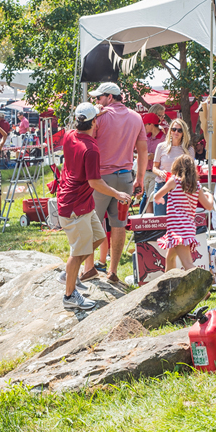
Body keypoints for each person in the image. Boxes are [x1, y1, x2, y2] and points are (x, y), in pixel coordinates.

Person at [56, 102, 131, 310]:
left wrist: (97, 111)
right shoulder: (91, 150)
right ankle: (70, 296)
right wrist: (117, 194)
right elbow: (95, 183)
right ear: (95, 123)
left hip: (81, 203)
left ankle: (68, 274)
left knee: (98, 238)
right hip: (75, 206)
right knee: (77, 251)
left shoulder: (69, 135)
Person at [90, 82, 148, 283]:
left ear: (110, 97)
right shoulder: (136, 117)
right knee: (119, 225)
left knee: (92, 222)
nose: (96, 101)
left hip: (101, 179)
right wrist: (139, 178)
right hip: (125, 177)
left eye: (98, 98)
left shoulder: (101, 117)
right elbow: (142, 151)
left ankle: (89, 268)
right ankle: (112, 270)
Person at [154, 154, 214, 271]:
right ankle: (169, 286)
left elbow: (157, 195)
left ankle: (203, 289)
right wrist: (210, 196)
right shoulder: (196, 186)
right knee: (170, 258)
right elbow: (209, 206)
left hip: (177, 229)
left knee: (188, 265)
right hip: (187, 228)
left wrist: (160, 199)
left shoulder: (174, 181)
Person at [151, 117, 194, 215]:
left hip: (180, 187)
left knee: (178, 219)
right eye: (174, 129)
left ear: (183, 133)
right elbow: (154, 167)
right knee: (160, 219)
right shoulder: (161, 147)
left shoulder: (188, 149)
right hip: (162, 184)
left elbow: (191, 171)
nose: (176, 132)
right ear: (170, 131)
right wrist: (160, 172)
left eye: (179, 130)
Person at [139, 113, 164, 214]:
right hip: (146, 171)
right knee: (148, 197)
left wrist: (152, 156)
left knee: (150, 198)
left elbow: (165, 155)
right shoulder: (146, 137)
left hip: (156, 172)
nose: (144, 127)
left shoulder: (164, 138)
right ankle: (150, 222)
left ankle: (151, 223)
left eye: (145, 125)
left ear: (151, 124)